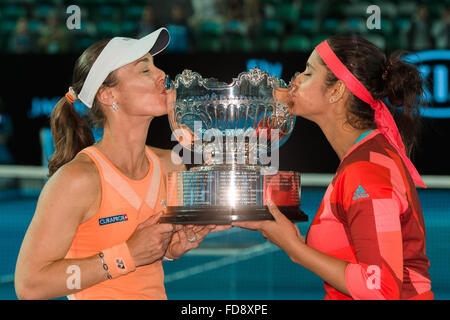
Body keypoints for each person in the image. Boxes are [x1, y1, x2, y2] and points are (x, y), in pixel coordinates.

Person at [15, 28, 225, 300]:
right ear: (107, 95)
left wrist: (170, 249)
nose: (162, 75)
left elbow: (147, 264)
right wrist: (126, 255)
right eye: (144, 70)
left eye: (156, 66)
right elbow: (30, 285)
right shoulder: (78, 179)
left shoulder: (170, 165)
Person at [233, 35, 433, 300]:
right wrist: (294, 242)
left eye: (308, 72)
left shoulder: (367, 170)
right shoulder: (365, 156)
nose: (295, 80)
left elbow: (381, 290)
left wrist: (294, 248)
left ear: (337, 90)